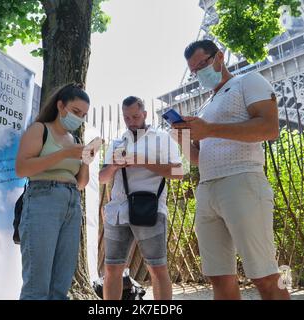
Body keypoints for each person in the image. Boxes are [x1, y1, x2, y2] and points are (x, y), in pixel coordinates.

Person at [172, 40, 290, 300]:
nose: (200, 71)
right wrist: (181, 138)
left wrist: (210, 129)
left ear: (220, 57)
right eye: (194, 69)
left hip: (242, 180)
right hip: (207, 190)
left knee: (265, 274)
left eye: (203, 63)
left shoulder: (248, 81)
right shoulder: (206, 105)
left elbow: (270, 129)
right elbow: (197, 159)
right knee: (219, 277)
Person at [99, 96, 183, 300]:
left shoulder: (163, 138)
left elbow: (179, 172)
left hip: (150, 209)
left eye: (135, 116)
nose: (131, 121)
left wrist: (143, 161)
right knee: (111, 269)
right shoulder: (118, 141)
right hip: (117, 211)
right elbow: (102, 178)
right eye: (126, 118)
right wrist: (116, 165)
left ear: (145, 114)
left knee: (157, 268)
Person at [15, 83, 91, 300]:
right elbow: (22, 168)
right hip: (42, 199)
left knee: (60, 285)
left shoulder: (76, 140)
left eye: (83, 115)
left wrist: (86, 159)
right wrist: (65, 153)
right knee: (37, 286)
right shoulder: (40, 129)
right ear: (60, 105)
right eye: (76, 112)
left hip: (72, 203)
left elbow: (82, 183)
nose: (79, 118)